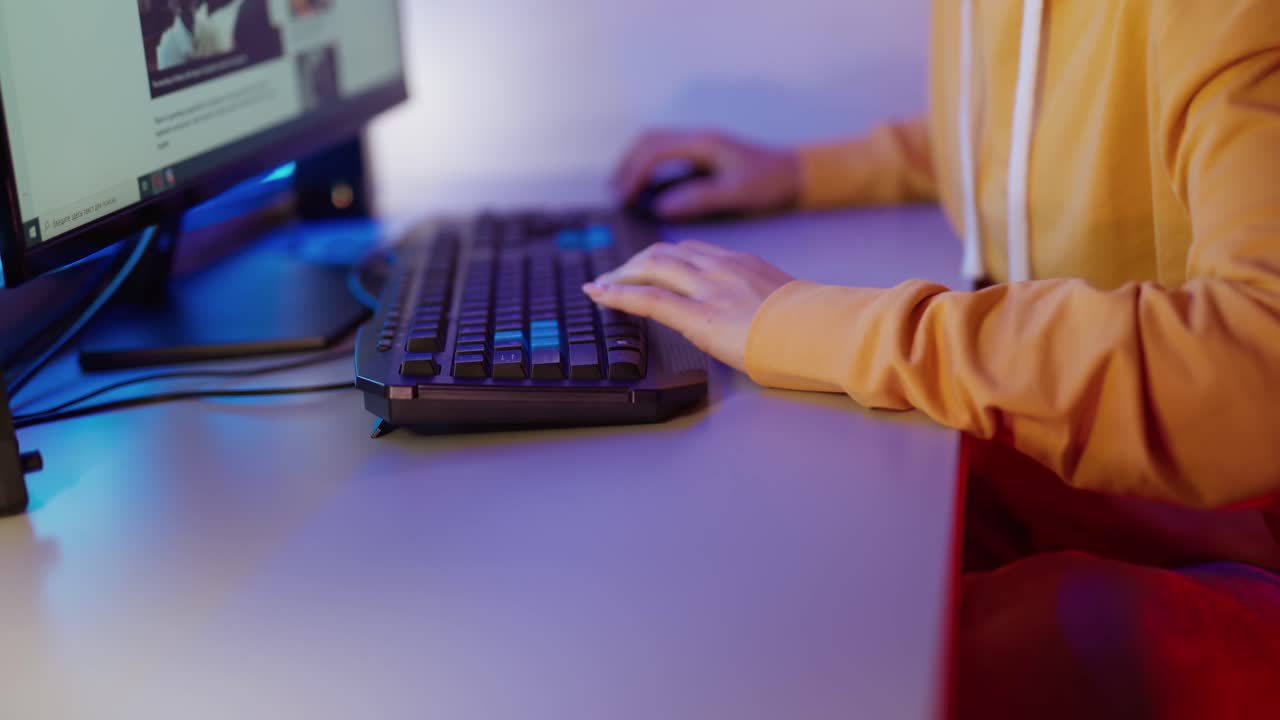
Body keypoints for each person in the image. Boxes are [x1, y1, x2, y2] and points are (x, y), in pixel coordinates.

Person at [594, 1, 1280, 717]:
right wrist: (803, 171)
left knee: (890, 659)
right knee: (810, 541)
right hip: (1147, 474)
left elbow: (1258, 367)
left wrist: (800, 321)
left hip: (1247, 511)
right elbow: (1010, 133)